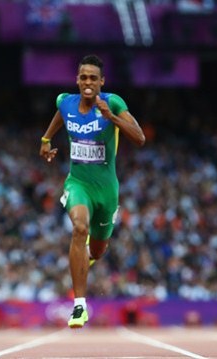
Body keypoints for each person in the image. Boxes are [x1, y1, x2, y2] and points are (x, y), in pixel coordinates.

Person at [39, 54, 146, 328]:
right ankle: (79, 307)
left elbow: (139, 137)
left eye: (93, 78)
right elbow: (59, 117)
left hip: (107, 191)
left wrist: (112, 117)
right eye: (83, 77)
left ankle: (86, 259)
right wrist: (45, 139)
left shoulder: (113, 102)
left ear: (102, 81)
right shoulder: (66, 102)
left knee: (97, 251)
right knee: (79, 228)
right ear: (77, 79)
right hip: (78, 184)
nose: (88, 82)